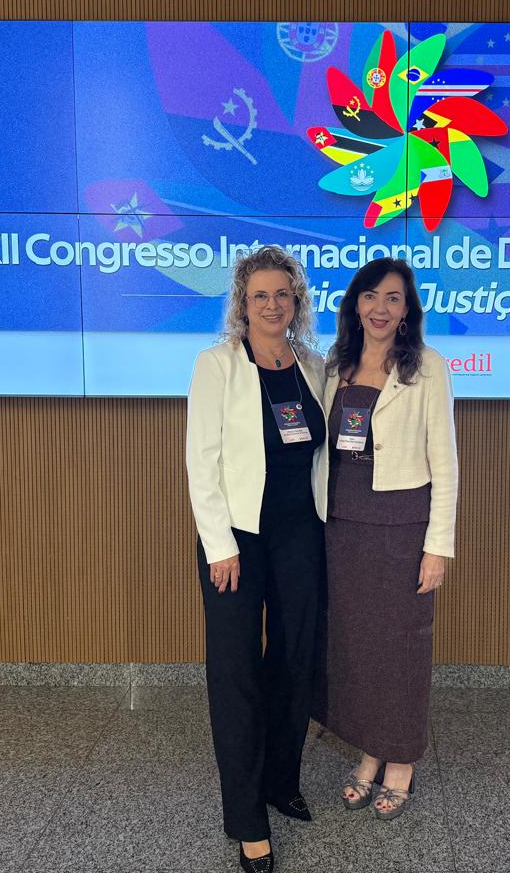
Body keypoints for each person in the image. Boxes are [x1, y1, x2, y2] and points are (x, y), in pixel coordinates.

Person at [185, 245, 329, 873]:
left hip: (302, 536)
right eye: (259, 295)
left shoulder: (313, 366)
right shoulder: (217, 364)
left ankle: (279, 781)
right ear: (242, 304)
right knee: (237, 675)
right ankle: (247, 820)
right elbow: (202, 461)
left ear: (297, 301)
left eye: (282, 294)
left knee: (295, 660)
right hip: (237, 541)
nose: (272, 305)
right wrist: (219, 546)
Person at [321, 257, 458, 820]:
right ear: (356, 304)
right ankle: (370, 750)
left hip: (401, 529)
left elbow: (445, 462)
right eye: (371, 296)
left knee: (401, 649)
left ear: (407, 311)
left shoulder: (427, 367)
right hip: (341, 528)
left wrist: (437, 546)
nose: (380, 307)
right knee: (357, 647)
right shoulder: (335, 365)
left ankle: (400, 760)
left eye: (393, 298)